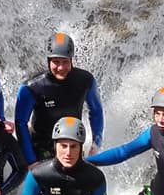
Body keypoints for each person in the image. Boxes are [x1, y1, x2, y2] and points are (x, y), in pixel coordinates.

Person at [15, 32, 104, 166]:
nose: (61, 67)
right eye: (56, 62)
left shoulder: (85, 80)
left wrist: (96, 143)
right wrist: (31, 161)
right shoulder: (32, 87)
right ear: (48, 61)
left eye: (65, 62)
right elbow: (20, 123)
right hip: (41, 148)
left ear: (71, 60)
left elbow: (96, 110)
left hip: (71, 146)